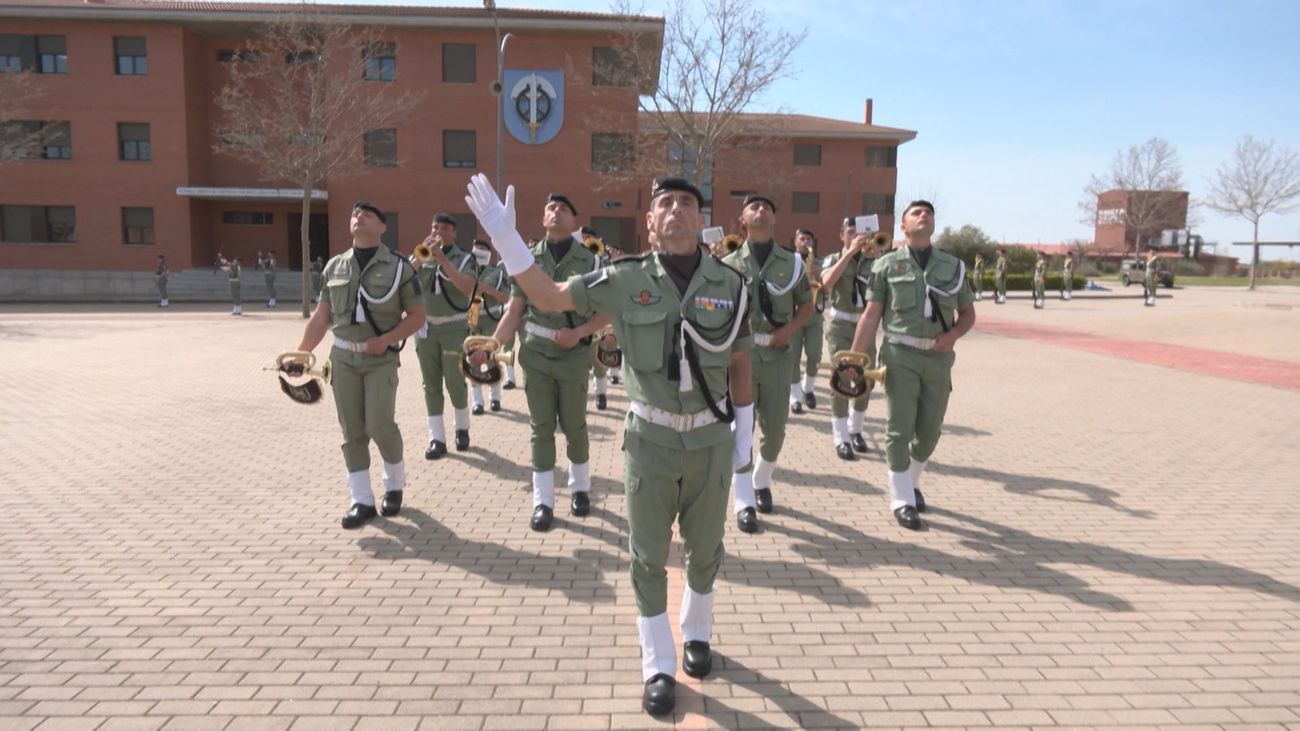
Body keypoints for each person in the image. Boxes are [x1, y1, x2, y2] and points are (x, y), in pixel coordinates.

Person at [465, 173, 753, 717]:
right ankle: (657, 663)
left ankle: (696, 632)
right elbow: (548, 297)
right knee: (645, 556)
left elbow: (740, 360)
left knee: (706, 551)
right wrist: (506, 240)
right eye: (664, 203)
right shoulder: (623, 279)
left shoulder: (731, 284)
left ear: (700, 217)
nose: (675, 210)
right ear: (650, 222)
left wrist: (746, 428)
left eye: (686, 203)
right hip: (650, 438)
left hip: (712, 440)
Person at [291, 202, 425, 528]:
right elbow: (322, 317)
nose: (358, 216)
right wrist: (300, 354)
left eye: (367, 214)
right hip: (343, 357)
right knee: (352, 431)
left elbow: (418, 317)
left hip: (380, 358)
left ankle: (394, 484)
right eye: (354, 213)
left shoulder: (399, 268)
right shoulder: (335, 267)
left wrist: (387, 339)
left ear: (382, 227)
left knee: (380, 424)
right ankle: (361, 500)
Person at [849, 200, 976, 530]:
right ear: (903, 227)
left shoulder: (953, 266)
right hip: (899, 354)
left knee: (929, 432)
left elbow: (968, 314)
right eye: (916, 213)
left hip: (938, 358)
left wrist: (954, 336)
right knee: (899, 427)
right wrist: (853, 359)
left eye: (929, 213)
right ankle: (901, 497)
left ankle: (912, 480)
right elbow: (871, 314)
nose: (924, 215)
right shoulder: (886, 265)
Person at [488, 193, 608, 531]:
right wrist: (493, 343)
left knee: (574, 426)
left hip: (573, 355)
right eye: (550, 208)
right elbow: (514, 311)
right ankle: (543, 501)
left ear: (574, 222)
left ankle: (580, 488)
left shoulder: (592, 262)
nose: (555, 212)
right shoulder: (526, 260)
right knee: (541, 428)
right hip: (536, 355)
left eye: (563, 209)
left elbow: (605, 311)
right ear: (543, 219)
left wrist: (581, 332)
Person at [723, 194, 812, 532]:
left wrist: (788, 330)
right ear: (742, 220)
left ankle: (761, 479)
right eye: (754, 207)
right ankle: (744, 500)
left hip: (777, 357)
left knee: (774, 432)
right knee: (740, 430)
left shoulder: (791, 264)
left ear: (774, 219)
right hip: (739, 357)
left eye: (768, 207)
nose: (761, 210)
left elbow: (806, 303)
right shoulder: (728, 263)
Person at [411, 213, 477, 460]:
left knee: (454, 382)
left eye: (442, 228)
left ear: (453, 232)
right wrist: (420, 259)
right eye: (433, 226)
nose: (436, 231)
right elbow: (405, 279)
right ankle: (436, 438)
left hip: (453, 329)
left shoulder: (464, 258)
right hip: (426, 330)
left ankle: (461, 427)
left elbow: (465, 286)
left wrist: (443, 260)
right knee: (431, 385)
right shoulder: (423, 256)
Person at [819, 217, 880, 460]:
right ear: (841, 234)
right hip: (840, 324)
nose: (857, 236)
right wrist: (850, 253)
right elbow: (826, 283)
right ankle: (841, 436)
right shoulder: (834, 258)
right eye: (851, 232)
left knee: (867, 378)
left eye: (861, 232)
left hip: (865, 325)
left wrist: (876, 254)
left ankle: (856, 429)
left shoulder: (874, 260)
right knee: (841, 379)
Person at [468, 238, 512, 415]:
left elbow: (506, 298)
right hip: (472, 321)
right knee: (473, 362)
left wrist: (490, 290)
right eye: (475, 250)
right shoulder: (467, 271)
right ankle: (477, 402)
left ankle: (495, 398)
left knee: (491, 359)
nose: (477, 253)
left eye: (481, 250)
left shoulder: (497, 273)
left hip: (491, 321)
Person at [787, 228, 825, 415]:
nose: (805, 242)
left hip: (813, 315)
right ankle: (794, 397)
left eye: (809, 239)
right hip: (793, 315)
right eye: (802, 239)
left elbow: (827, 287)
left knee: (815, 354)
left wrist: (819, 277)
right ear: (795, 241)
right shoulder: (787, 262)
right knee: (793, 356)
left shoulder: (819, 263)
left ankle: (808, 387)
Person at [582, 225, 613, 410]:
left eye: (588, 238)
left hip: (598, 316)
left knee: (600, 360)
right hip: (580, 316)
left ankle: (601, 394)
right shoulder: (576, 261)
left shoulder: (604, 262)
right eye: (583, 237)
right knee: (580, 361)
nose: (585, 241)